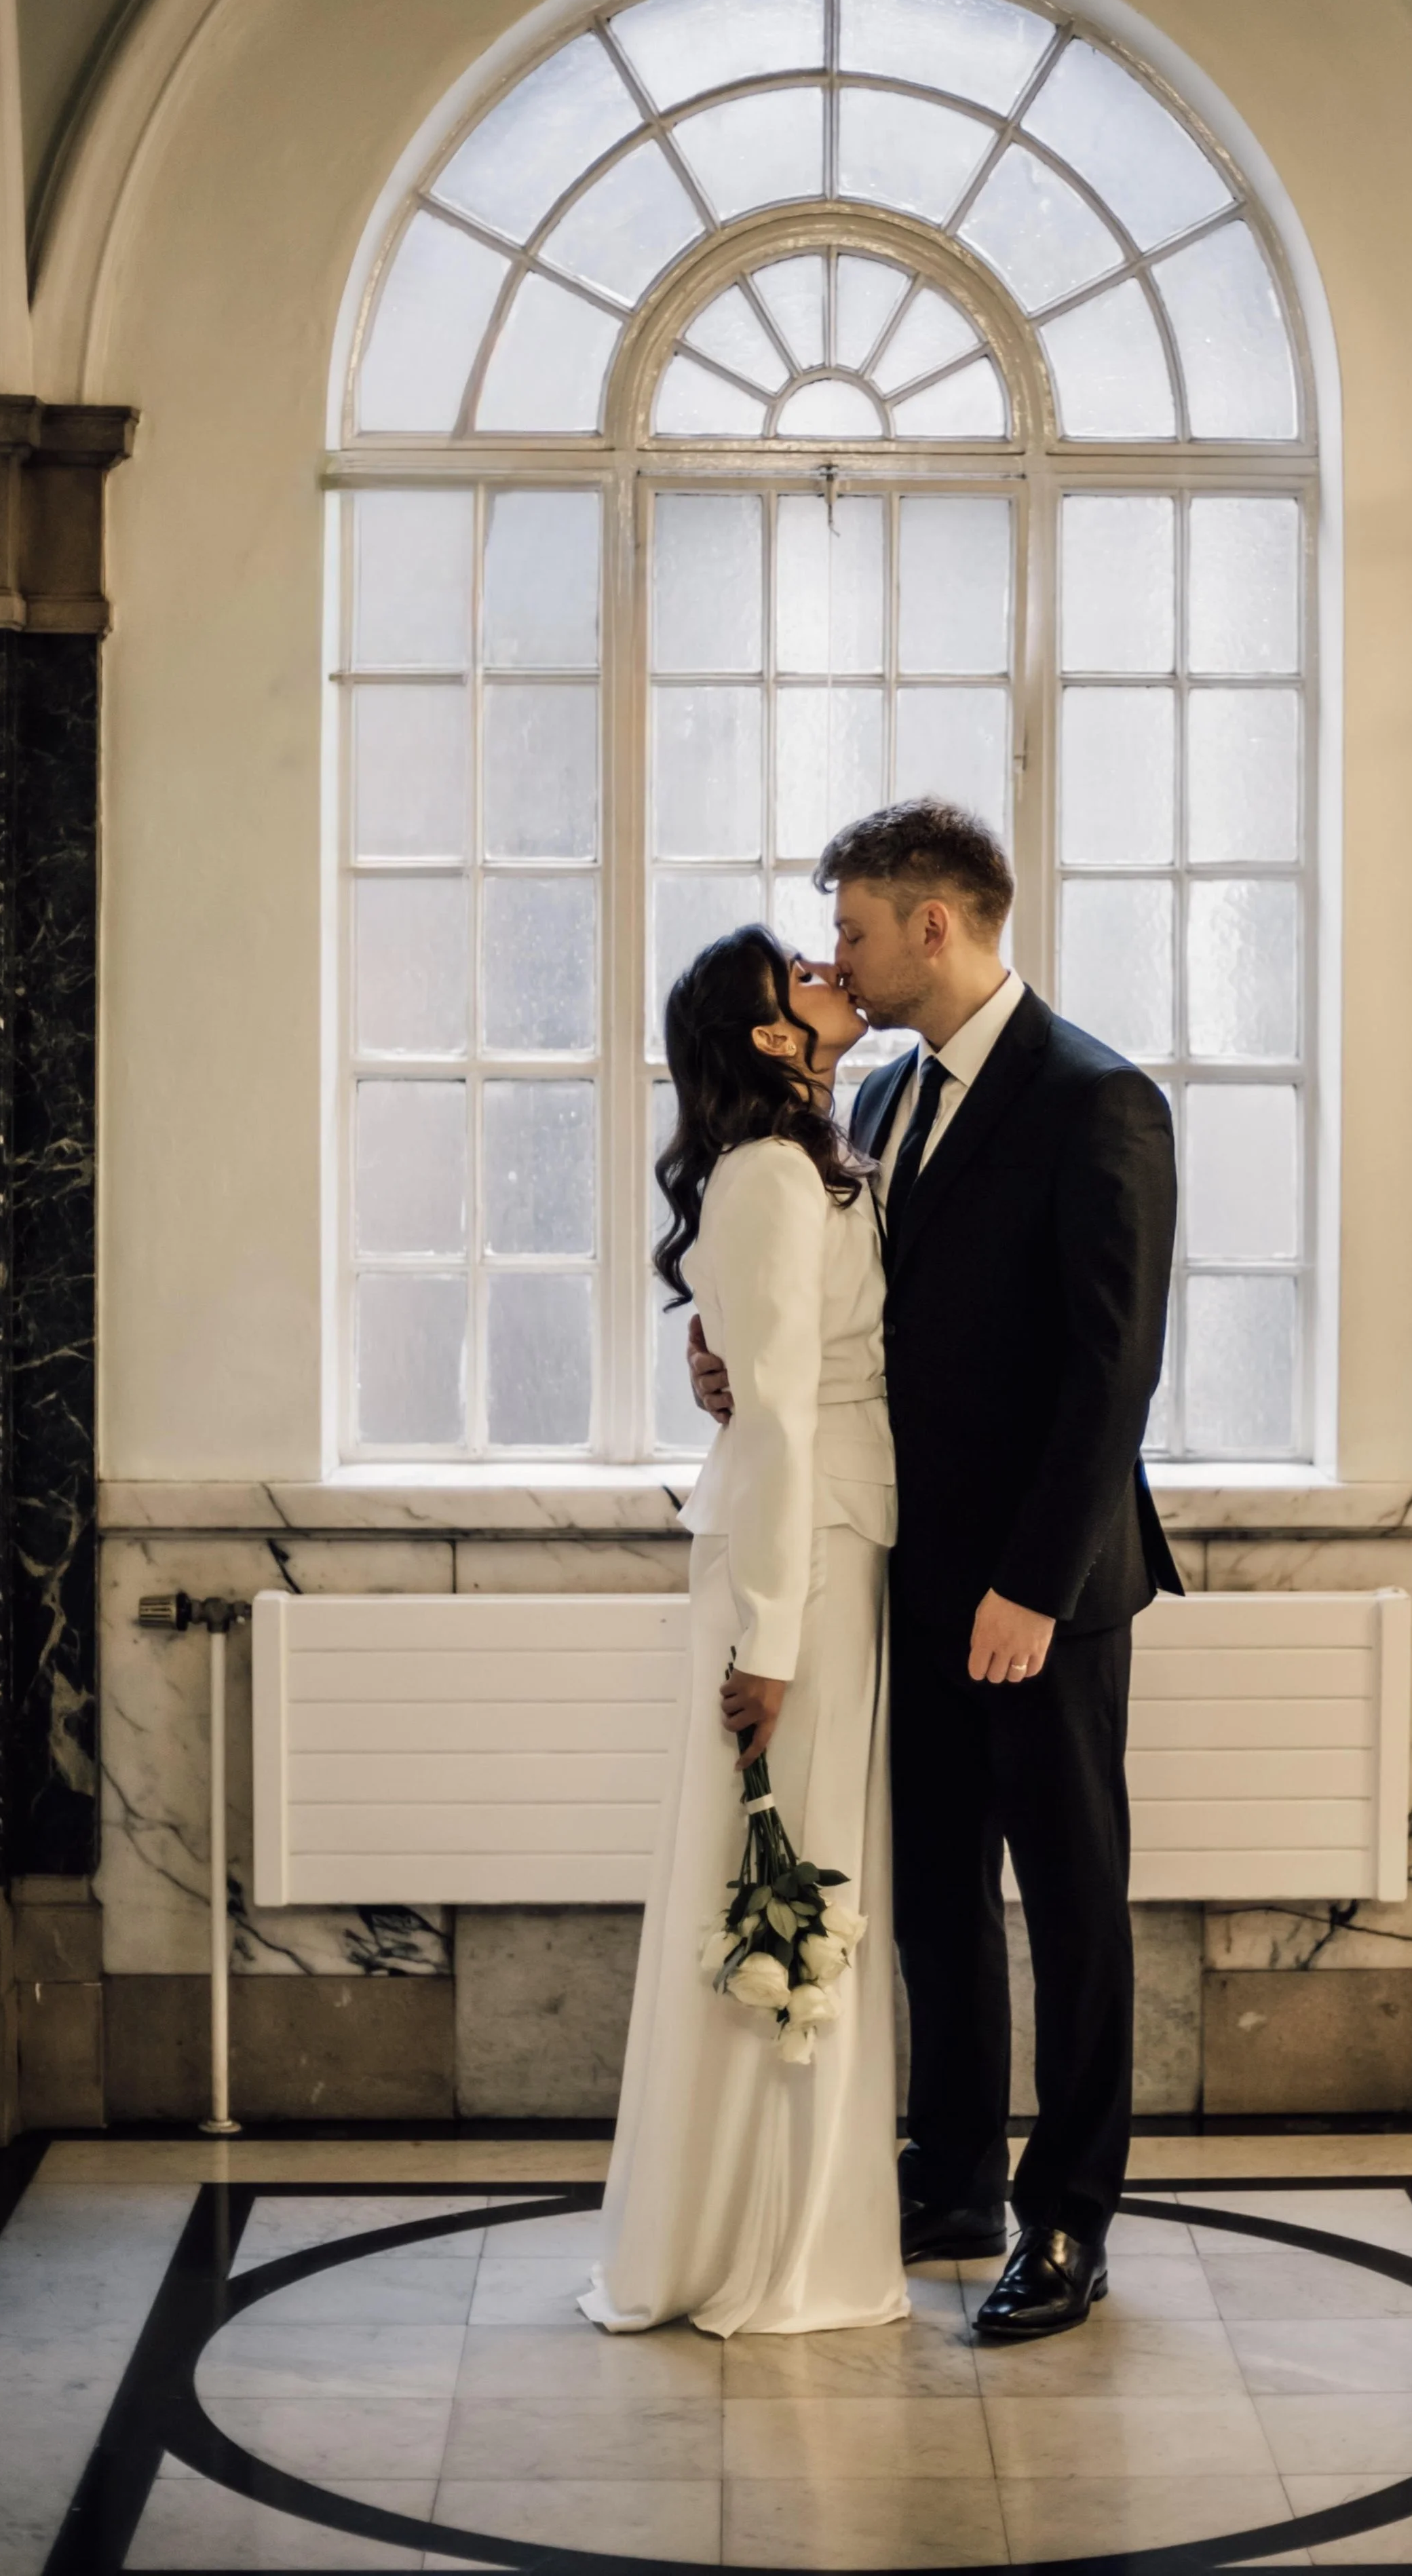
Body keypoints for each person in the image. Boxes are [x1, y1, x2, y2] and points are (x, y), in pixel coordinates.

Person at [691, 801, 1178, 2342]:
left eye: (848, 929)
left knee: (1072, 1898)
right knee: (930, 1901)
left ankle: (1068, 2219)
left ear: (933, 925)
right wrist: (735, 1366)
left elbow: (1112, 1374)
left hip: (1041, 1590)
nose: (831, 954)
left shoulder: (1098, 1099)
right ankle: (956, 2175)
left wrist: (1031, 1587)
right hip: (901, 1573)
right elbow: (845, 1326)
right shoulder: (883, 1092)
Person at [581, 926, 905, 2339]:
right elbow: (772, 1421)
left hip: (824, 1545)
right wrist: (768, 1641)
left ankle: (768, 2228)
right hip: (802, 1565)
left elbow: (771, 1370)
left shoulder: (805, 1159)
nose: (830, 978)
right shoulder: (771, 1174)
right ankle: (766, 2252)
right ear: (774, 1038)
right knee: (788, 1880)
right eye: (802, 974)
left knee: (798, 1880)